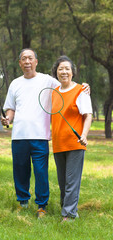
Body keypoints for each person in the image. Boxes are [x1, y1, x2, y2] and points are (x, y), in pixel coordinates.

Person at [1, 49, 90, 219]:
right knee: (20, 170)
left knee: (41, 172)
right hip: (18, 136)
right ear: (20, 63)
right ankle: (23, 201)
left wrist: (84, 86)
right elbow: (11, 108)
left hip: (40, 136)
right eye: (23, 59)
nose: (27, 61)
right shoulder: (15, 84)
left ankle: (42, 206)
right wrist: (7, 119)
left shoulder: (48, 81)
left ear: (36, 61)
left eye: (30, 58)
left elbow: (67, 84)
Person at [51, 55, 92, 222]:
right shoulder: (54, 93)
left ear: (73, 72)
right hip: (58, 144)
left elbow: (88, 115)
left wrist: (84, 135)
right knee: (62, 182)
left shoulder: (81, 90)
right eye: (61, 69)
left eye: (67, 68)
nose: (64, 71)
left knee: (71, 182)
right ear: (56, 73)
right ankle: (67, 208)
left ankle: (69, 215)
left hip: (75, 143)